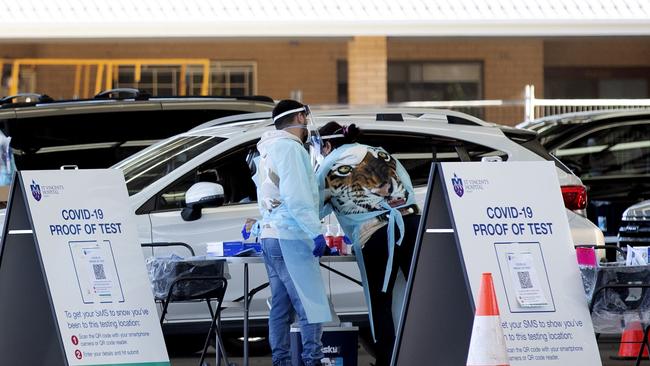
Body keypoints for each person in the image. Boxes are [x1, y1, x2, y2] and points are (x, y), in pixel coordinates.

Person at [315, 121, 421, 366]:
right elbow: (408, 190)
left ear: (327, 145)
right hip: (412, 225)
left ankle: (387, 359)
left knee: (380, 303)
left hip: (377, 234)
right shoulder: (380, 152)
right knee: (418, 296)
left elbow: (314, 208)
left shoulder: (330, 165)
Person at [250, 99, 331, 366]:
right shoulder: (292, 149)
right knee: (311, 306)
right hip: (291, 236)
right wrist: (315, 231)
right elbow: (297, 198)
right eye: (305, 118)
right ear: (298, 117)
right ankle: (312, 360)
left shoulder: (268, 149)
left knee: (281, 308)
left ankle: (281, 360)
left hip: (271, 237)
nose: (307, 123)